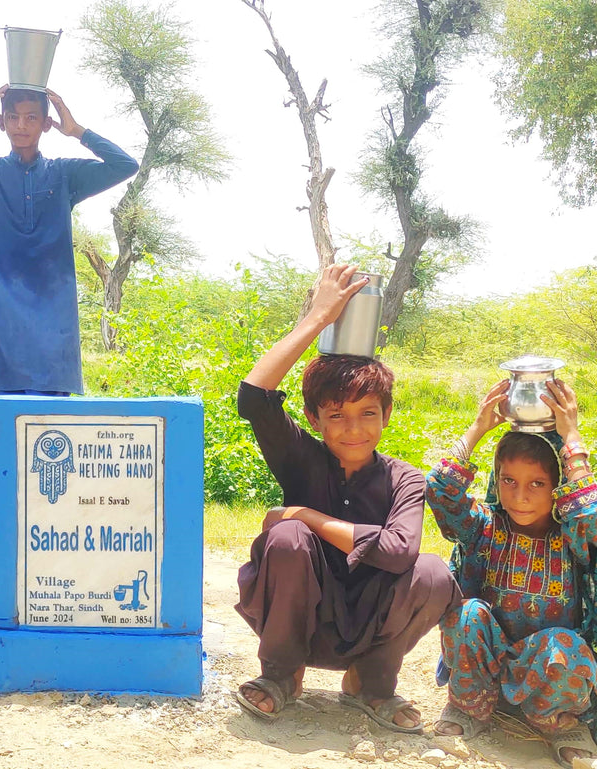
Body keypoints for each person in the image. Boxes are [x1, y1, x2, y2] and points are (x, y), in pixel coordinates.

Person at [234, 264, 460, 733]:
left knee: (434, 572)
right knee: (288, 539)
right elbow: (255, 398)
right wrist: (319, 316)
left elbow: (400, 551)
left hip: (373, 625)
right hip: (302, 616)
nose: (353, 429)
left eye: (367, 413)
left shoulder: (406, 479)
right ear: (315, 419)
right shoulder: (301, 458)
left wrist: (307, 514)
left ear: (387, 415)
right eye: (336, 414)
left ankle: (370, 684)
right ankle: (282, 675)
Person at [0, 85, 139, 396]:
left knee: (52, 427)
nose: (21, 126)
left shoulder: (64, 174)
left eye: (31, 117)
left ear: (46, 123)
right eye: (13, 117)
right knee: (5, 416)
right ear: (2, 122)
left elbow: (126, 165)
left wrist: (77, 131)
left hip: (54, 317)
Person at [425, 378, 597, 767]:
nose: (520, 496)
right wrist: (478, 428)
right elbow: (439, 491)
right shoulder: (484, 527)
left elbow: (591, 518)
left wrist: (572, 439)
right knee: (466, 613)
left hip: (550, 675)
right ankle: (470, 708)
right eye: (509, 481)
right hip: (484, 673)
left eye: (537, 483)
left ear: (559, 487)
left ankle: (557, 720)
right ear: (496, 479)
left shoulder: (574, 538)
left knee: (564, 644)